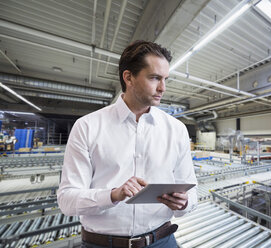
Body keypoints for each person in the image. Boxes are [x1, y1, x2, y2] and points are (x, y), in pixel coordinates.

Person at [57, 41, 198, 248]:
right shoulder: (87, 126)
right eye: (154, 78)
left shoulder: (176, 129)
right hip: (102, 244)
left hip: (162, 241)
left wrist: (183, 202)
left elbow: (192, 193)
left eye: (165, 79)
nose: (163, 88)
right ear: (128, 77)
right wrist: (113, 195)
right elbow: (67, 201)